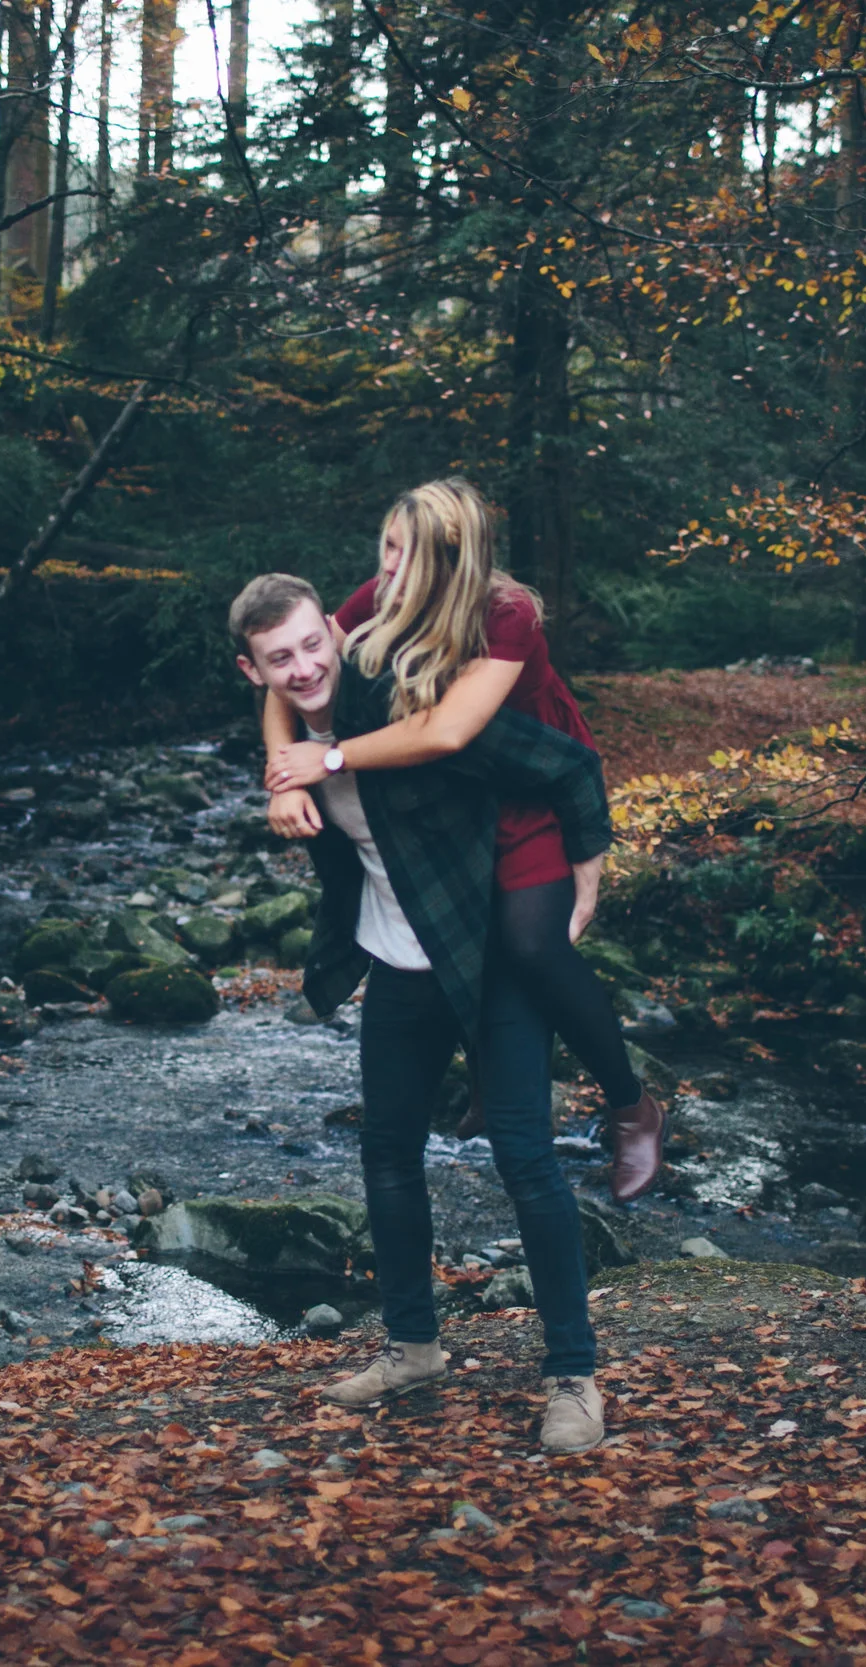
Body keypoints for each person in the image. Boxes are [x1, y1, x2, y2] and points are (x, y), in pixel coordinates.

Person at [229, 572, 610, 1454]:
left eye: (312, 644)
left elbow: (568, 763)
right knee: (388, 1151)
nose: (303, 667)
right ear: (254, 673)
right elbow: (292, 747)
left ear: (335, 629)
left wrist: (579, 892)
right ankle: (411, 1348)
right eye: (278, 659)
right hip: (399, 962)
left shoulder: (411, 701)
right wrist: (280, 785)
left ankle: (574, 1378)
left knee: (525, 1157)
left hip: (490, 954)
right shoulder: (289, 729)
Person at [255, 478, 664, 1203]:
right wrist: (284, 774)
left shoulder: (505, 617)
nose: (389, 566)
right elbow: (285, 676)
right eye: (386, 544)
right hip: (452, 794)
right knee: (444, 926)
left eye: (407, 555)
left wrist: (588, 864)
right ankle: (488, 1066)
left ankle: (631, 1104)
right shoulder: (380, 595)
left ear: (455, 563)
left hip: (528, 789)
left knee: (532, 943)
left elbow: (449, 730)